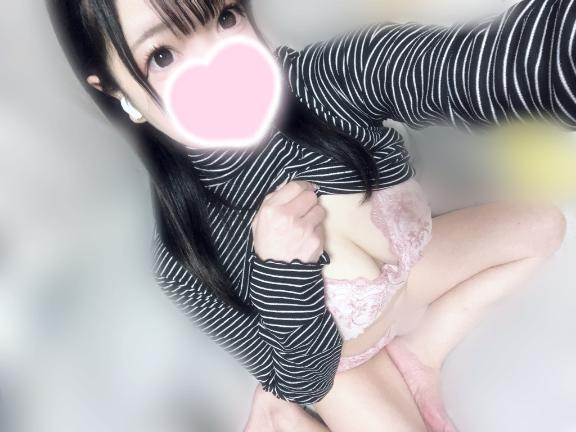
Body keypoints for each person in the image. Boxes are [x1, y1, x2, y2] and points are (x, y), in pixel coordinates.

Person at [46, 0, 571, 430]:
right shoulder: (184, 252)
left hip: (411, 279)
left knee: (544, 225)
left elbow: (465, 69)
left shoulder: (325, 83)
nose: (220, 64)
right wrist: (282, 269)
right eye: (162, 55)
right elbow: (301, 380)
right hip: (345, 363)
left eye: (226, 17)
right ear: (113, 89)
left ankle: (422, 353)